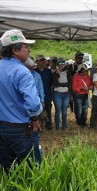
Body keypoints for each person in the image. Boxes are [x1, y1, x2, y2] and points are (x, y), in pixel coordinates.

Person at [0, 29, 42, 172]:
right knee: (32, 170)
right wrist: (35, 118)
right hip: (20, 129)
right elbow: (33, 104)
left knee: (7, 171)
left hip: (2, 128)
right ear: (16, 50)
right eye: (25, 47)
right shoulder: (22, 71)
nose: (28, 49)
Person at [24, 57, 44, 164]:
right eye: (31, 68)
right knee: (33, 138)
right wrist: (35, 118)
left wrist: (42, 99)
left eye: (33, 68)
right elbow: (32, 102)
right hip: (27, 118)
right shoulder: (24, 76)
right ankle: (37, 164)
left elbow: (40, 89)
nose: (32, 70)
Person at [52, 58, 72, 131]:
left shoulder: (67, 72)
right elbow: (56, 83)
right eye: (60, 64)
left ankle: (64, 126)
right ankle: (57, 127)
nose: (62, 65)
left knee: (64, 111)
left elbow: (70, 83)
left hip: (66, 93)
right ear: (57, 65)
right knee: (57, 111)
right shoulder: (55, 73)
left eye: (63, 63)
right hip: (57, 94)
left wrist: (61, 84)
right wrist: (64, 84)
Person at [35, 54, 53, 130]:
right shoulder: (34, 72)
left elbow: (52, 83)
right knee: (37, 111)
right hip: (37, 95)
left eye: (43, 60)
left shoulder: (48, 71)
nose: (43, 61)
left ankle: (48, 125)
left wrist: (51, 94)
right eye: (41, 60)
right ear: (37, 61)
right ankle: (38, 126)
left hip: (47, 94)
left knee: (48, 110)